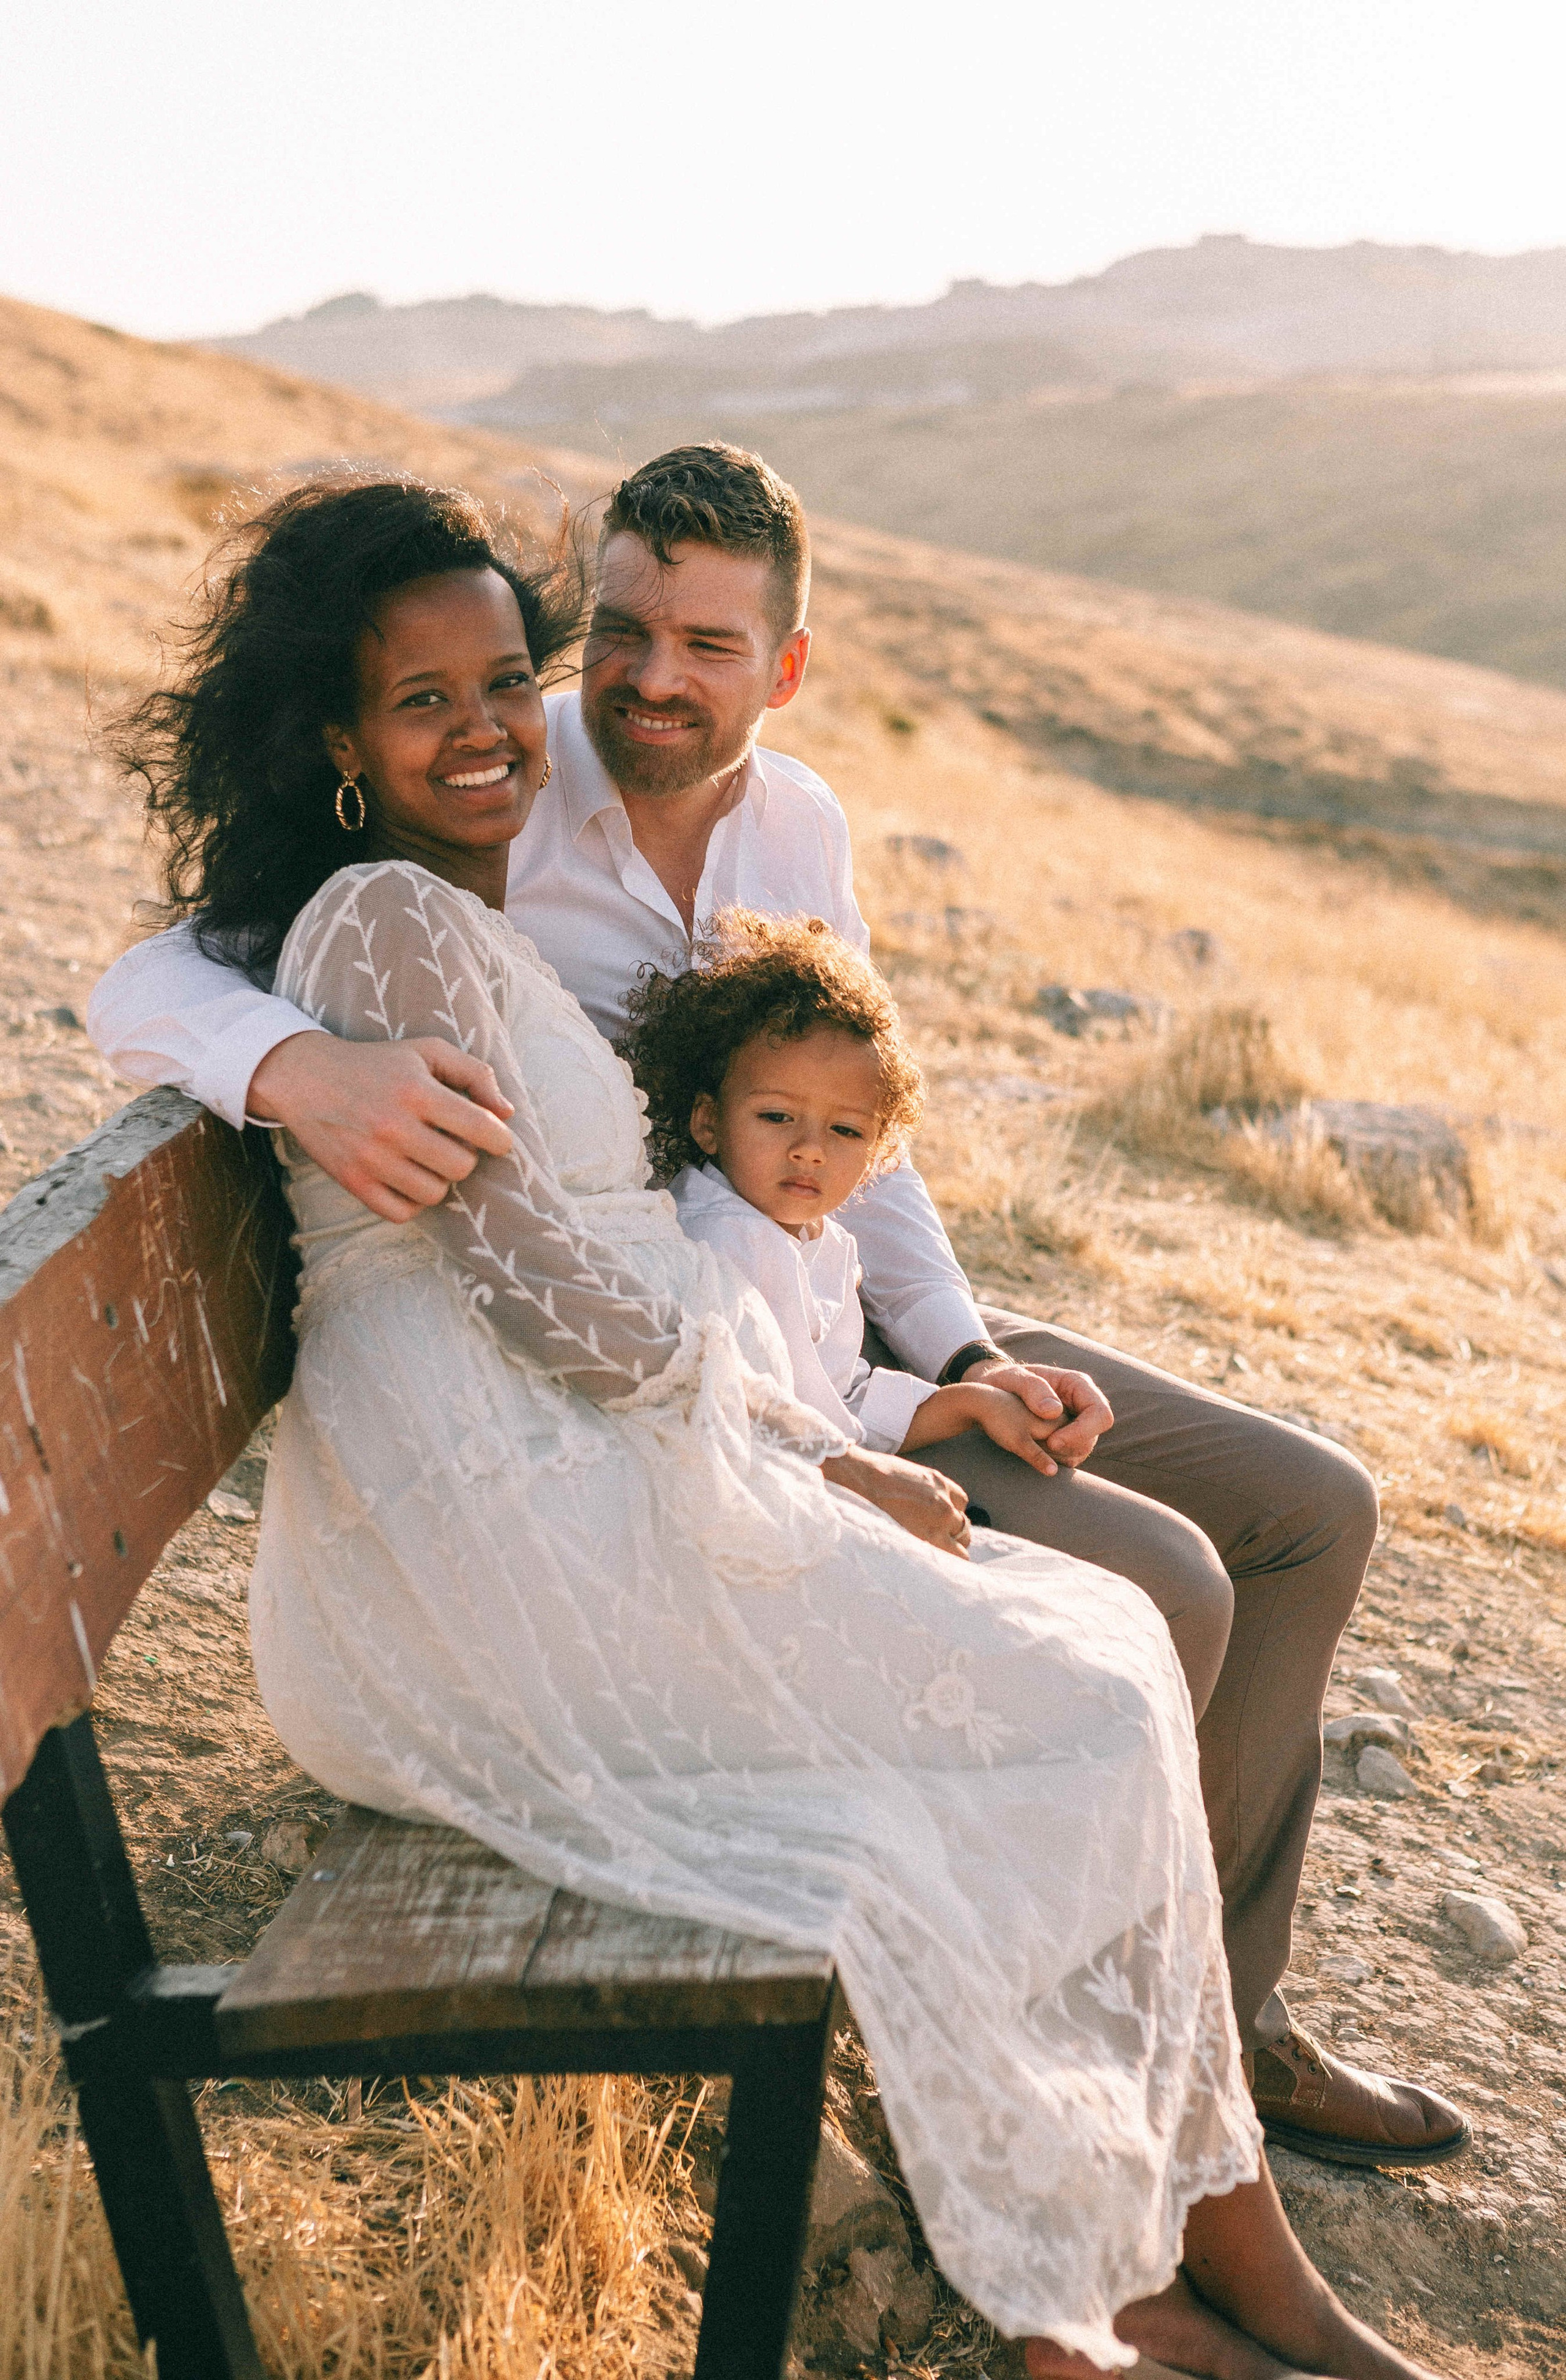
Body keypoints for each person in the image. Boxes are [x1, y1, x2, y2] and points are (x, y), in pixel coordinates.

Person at [106, 468, 1445, 2380]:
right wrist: (281, 1061)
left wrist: (950, 1358)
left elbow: (833, 1129)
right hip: (550, 1473)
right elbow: (208, 1007)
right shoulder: (423, 894)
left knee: (1270, 1533)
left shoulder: (759, 823)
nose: (537, 715)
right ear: (346, 731)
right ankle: (1110, 2277)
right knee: (1109, 1639)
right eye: (452, 696)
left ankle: (1213, 2172)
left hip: (723, 1364)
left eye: (520, 678)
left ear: (781, 665)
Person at [628, 905, 1072, 1480]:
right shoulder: (721, 1242)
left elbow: (841, 1397)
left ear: (876, 1153)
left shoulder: (824, 1243)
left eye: (846, 1131)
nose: (811, 1149)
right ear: (707, 1120)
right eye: (777, 1115)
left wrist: (971, 1400)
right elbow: (775, 1425)